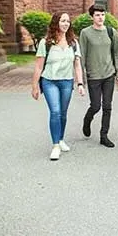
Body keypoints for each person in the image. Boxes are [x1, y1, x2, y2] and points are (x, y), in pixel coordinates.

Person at [31, 12, 86, 161]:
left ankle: (60, 139)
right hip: (49, 81)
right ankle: (55, 146)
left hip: (67, 82)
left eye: (68, 21)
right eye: (63, 21)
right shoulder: (46, 43)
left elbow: (77, 65)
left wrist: (80, 83)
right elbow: (38, 67)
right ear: (56, 23)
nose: (66, 23)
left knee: (63, 112)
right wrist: (34, 86)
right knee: (55, 111)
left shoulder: (73, 43)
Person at [79, 4, 118, 148]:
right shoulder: (85, 33)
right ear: (92, 17)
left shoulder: (111, 32)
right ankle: (88, 118)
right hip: (94, 76)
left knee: (107, 106)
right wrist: (82, 78)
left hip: (109, 74)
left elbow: (117, 53)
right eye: (97, 15)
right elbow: (82, 56)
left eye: (102, 14)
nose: (100, 17)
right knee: (96, 105)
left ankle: (104, 136)